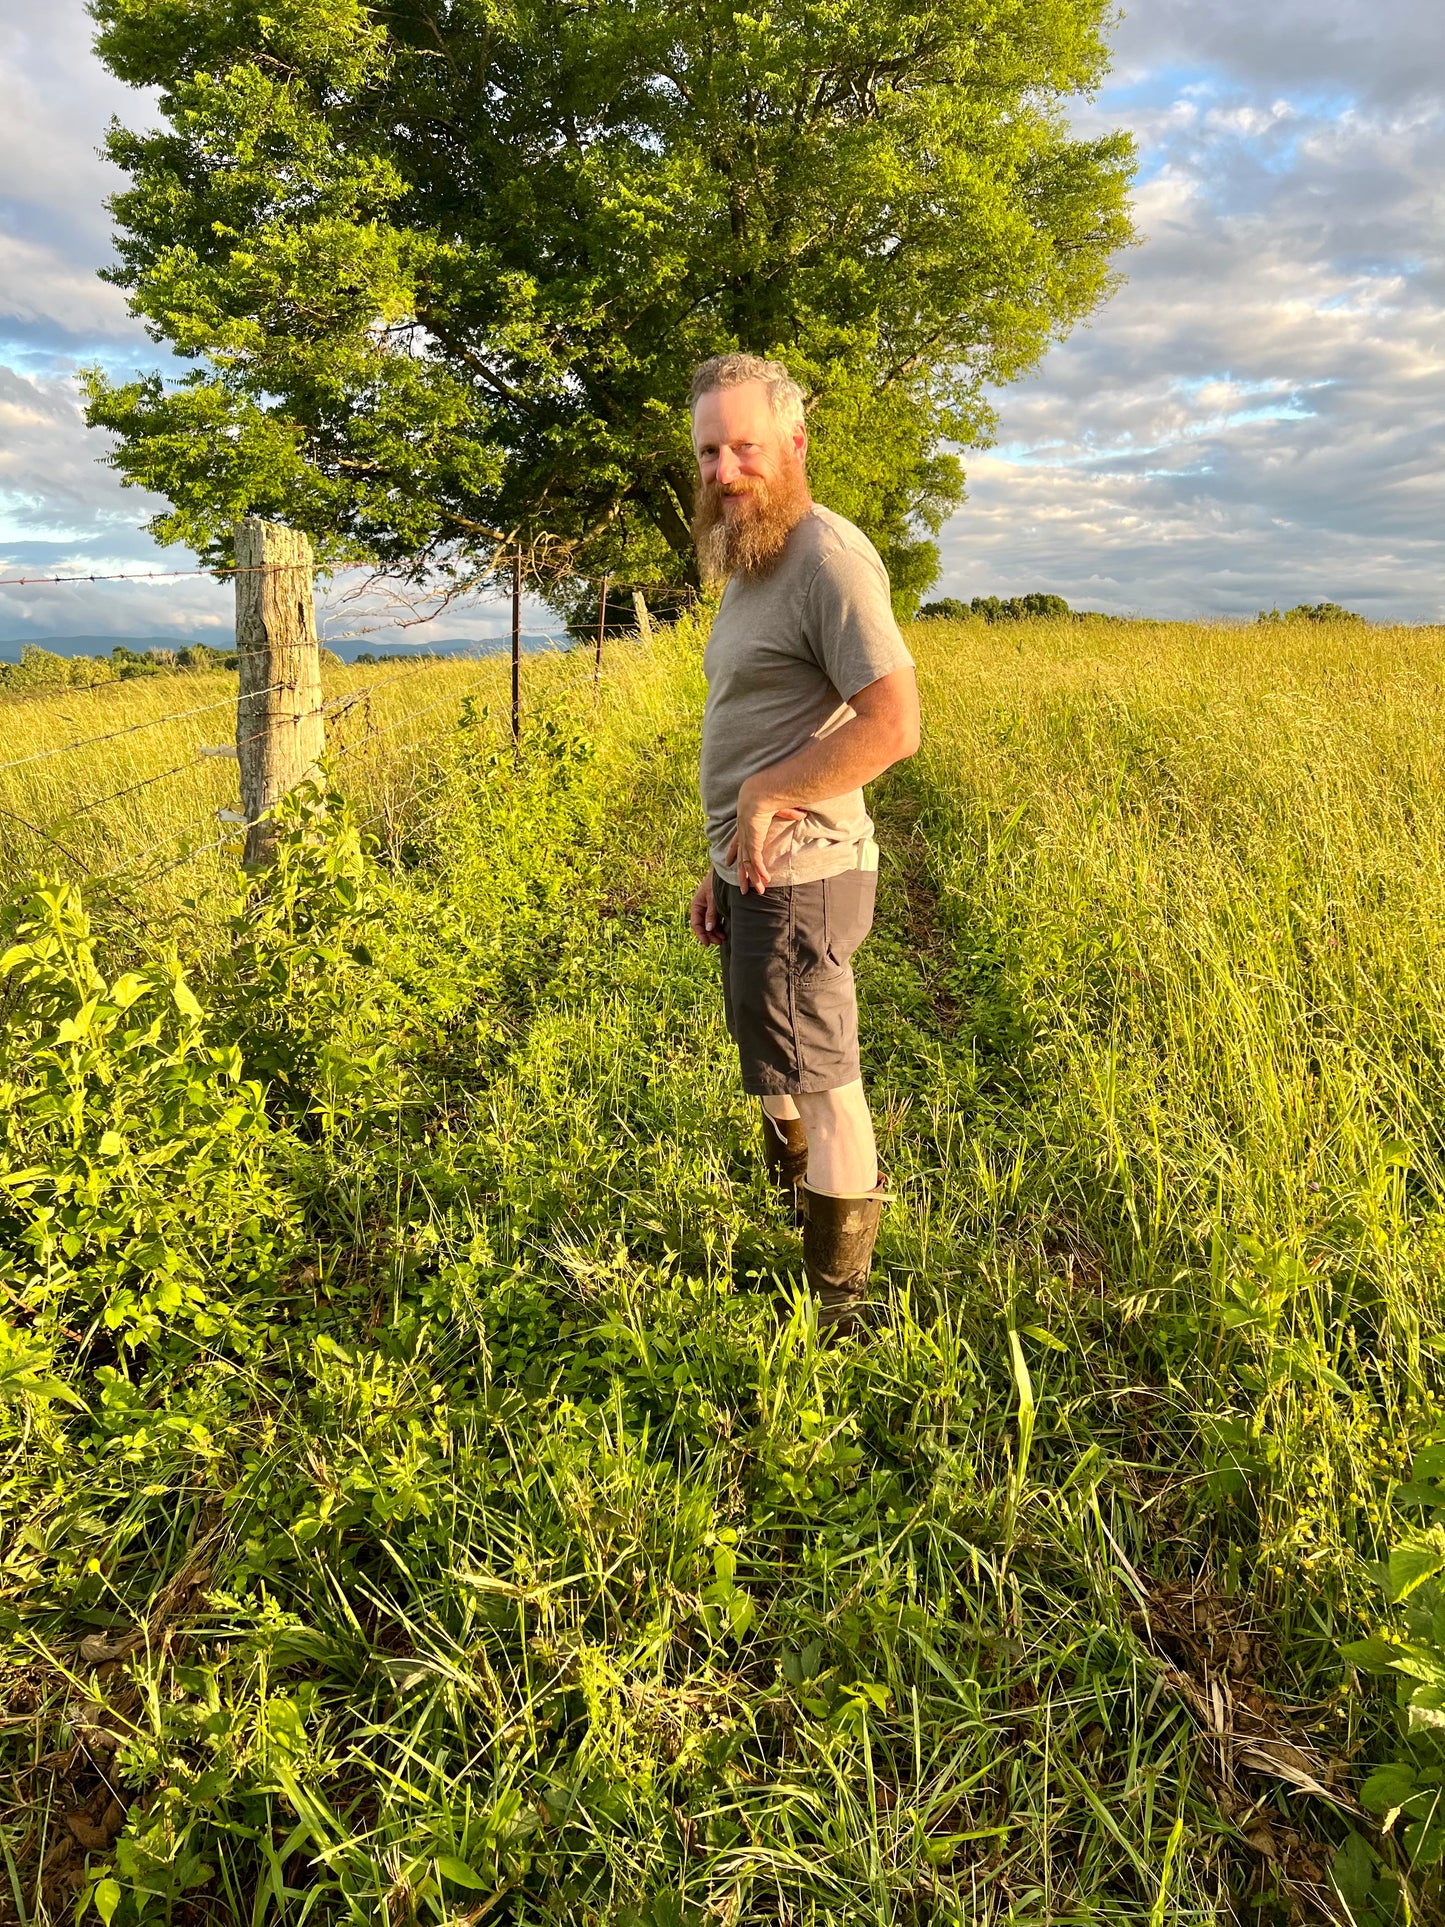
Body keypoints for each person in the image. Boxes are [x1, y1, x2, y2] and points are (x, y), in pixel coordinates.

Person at [686, 352, 921, 1334]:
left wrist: (770, 794)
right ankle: (809, 1210)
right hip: (755, 873)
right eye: (708, 450)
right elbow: (761, 723)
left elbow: (893, 724)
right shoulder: (753, 563)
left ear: (793, 443)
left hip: (805, 871)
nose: (724, 468)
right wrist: (717, 863)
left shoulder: (826, 557)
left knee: (822, 1086)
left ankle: (839, 1312)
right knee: (773, 1059)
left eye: (744, 445)